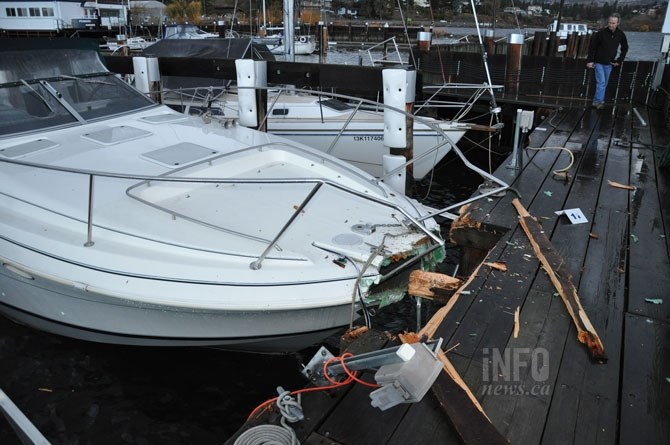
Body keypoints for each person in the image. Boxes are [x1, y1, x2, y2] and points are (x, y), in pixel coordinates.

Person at [586, 13, 629, 109]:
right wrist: (590, 61)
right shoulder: (601, 33)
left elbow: (625, 48)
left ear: (618, 23)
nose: (611, 25)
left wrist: (619, 60)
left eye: (613, 23)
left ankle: (597, 101)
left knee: (604, 83)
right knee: (601, 82)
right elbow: (592, 47)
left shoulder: (620, 34)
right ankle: (598, 102)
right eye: (609, 22)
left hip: (610, 63)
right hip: (599, 62)